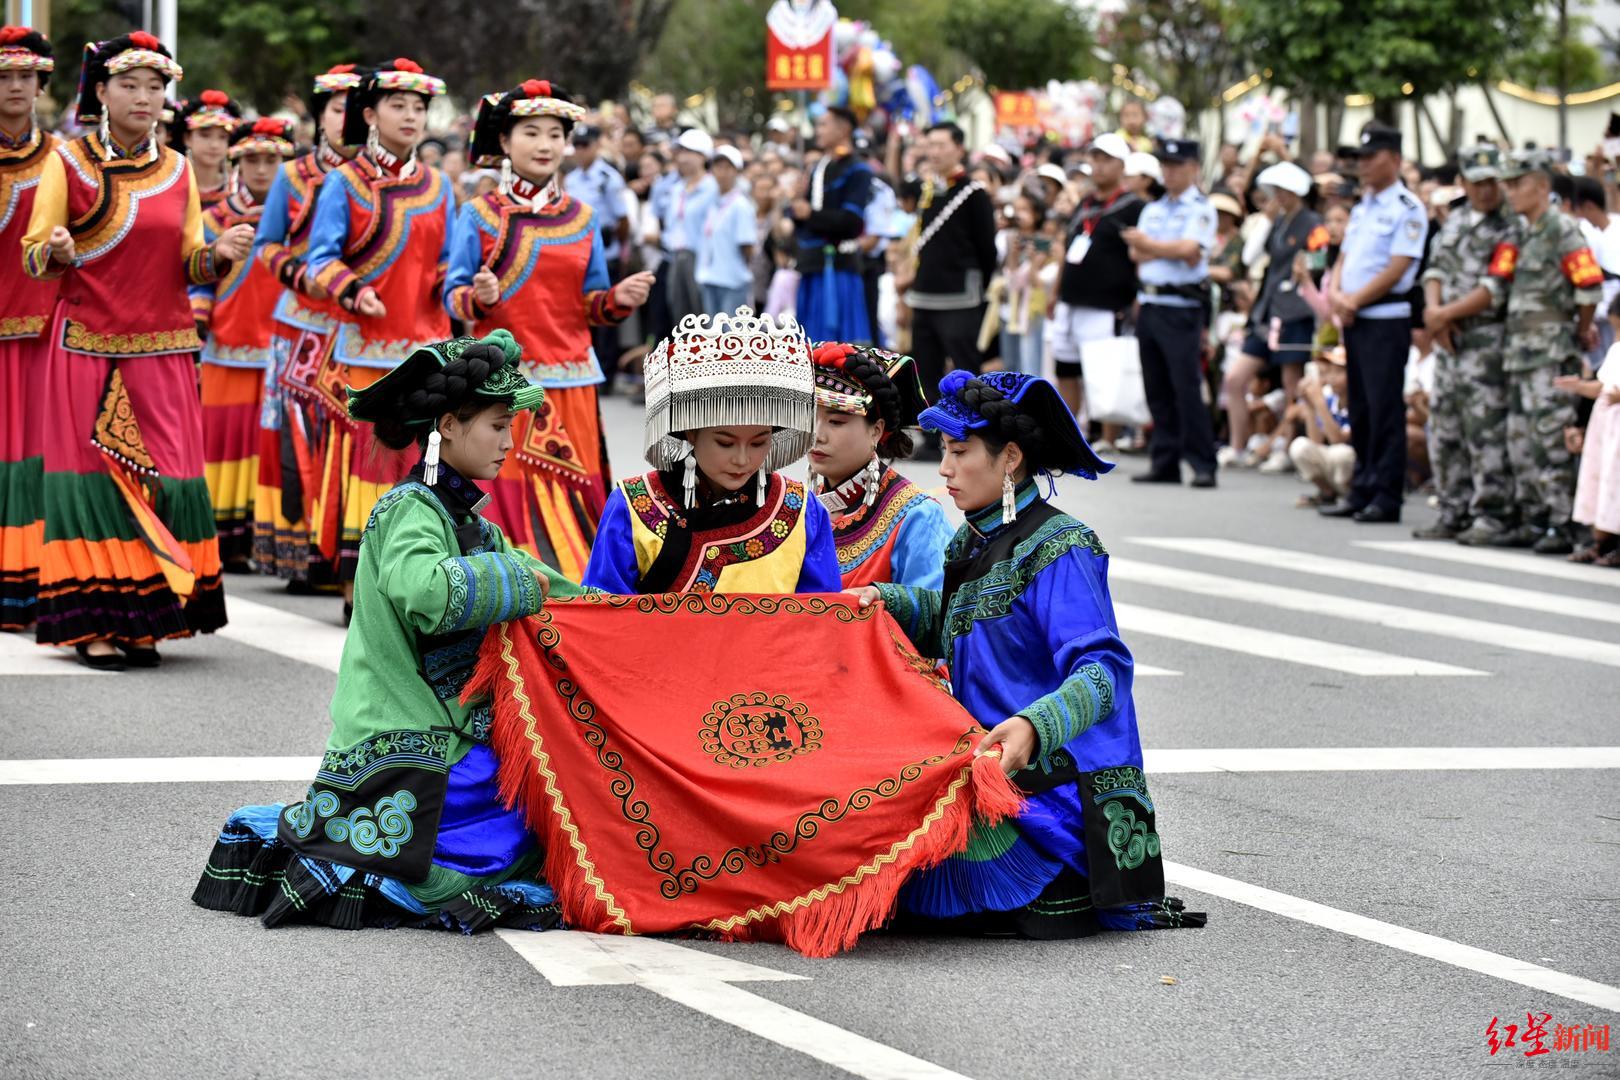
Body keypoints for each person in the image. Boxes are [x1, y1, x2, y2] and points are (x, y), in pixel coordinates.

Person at [194, 330, 580, 931]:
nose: (510, 442)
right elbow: (428, 593)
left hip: (451, 729)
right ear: (448, 425)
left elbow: (560, 596)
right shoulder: (409, 509)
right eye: (498, 425)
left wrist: (624, 617)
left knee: (557, 779)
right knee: (540, 807)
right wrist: (522, 578)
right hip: (406, 738)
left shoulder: (468, 520)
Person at [850, 370, 1204, 937]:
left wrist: (1032, 727)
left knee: (892, 883)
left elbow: (1105, 669)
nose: (944, 470)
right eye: (943, 451)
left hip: (1048, 791)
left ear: (1010, 457)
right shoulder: (973, 539)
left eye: (959, 452)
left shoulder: (1062, 547)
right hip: (982, 767)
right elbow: (961, 625)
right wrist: (882, 601)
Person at [21, 30, 254, 668]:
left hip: (165, 346)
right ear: (100, 92)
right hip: (88, 346)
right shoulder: (65, 163)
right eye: (130, 85)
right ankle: (95, 622)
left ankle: (150, 612)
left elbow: (189, 261)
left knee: (173, 480)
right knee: (91, 484)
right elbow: (36, 255)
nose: (145, 97)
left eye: (156, 87)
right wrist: (57, 252)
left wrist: (219, 255)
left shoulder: (178, 169)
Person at [444, 79, 654, 580]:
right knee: (505, 497)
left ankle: (573, 603)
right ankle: (499, 594)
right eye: (532, 133)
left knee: (575, 500)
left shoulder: (583, 217)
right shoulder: (479, 214)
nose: (545, 145)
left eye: (556, 135)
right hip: (504, 384)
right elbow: (451, 294)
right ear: (504, 143)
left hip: (572, 382)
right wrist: (479, 297)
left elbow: (590, 304)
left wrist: (615, 302)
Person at [305, 58, 454, 606]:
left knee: (424, 462)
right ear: (369, 113)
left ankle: (415, 576)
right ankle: (356, 582)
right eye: (398, 105)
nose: (411, 116)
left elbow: (447, 265)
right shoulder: (344, 183)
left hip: (427, 346)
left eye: (419, 107)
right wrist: (352, 289)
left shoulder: (439, 185)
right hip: (365, 346)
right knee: (368, 462)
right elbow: (321, 257)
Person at [582, 307, 841, 594]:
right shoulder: (632, 505)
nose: (743, 459)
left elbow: (823, 620)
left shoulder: (803, 510)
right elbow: (602, 615)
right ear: (691, 433)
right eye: (725, 442)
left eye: (758, 442)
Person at [250, 63, 363, 589]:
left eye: (353, 109)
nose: (346, 119)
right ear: (319, 118)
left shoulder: (381, 184)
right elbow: (266, 244)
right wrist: (303, 277)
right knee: (301, 439)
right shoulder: (293, 177)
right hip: (301, 327)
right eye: (336, 109)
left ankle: (348, 548)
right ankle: (302, 554)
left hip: (361, 329)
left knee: (353, 438)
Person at [191, 118, 297, 571]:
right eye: (252, 159)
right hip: (226, 349)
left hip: (279, 351)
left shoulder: (296, 219)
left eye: (271, 160)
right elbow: (198, 283)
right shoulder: (214, 219)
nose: (261, 169)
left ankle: (264, 539)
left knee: (268, 447)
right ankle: (220, 539)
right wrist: (196, 328)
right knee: (223, 446)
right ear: (238, 161)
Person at [1489, 150, 1603, 553]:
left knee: (1550, 437)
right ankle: (1533, 516)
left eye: (1517, 183)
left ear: (1541, 186)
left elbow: (1589, 285)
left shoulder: (1561, 230)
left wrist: (1582, 329)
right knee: (1519, 438)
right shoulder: (1521, 231)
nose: (1510, 191)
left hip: (1551, 350)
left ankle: (1561, 521)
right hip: (1519, 352)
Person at [1319, 124, 1427, 525]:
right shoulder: (1363, 206)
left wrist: (1354, 299)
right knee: (1361, 407)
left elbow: (1400, 265)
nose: (1363, 166)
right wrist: (1338, 297)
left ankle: (1386, 493)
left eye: (1371, 157)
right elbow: (1346, 255)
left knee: (1384, 409)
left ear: (1394, 159)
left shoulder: (1406, 207)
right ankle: (1362, 486)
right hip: (1355, 318)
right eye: (1360, 158)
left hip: (1385, 319)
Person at [1415, 144, 1519, 543]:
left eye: (1493, 182)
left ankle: (1491, 513)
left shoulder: (1510, 226)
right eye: (1478, 183)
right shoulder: (1455, 221)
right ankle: (1452, 508)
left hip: (1485, 340)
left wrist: (1445, 315)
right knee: (1445, 426)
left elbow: (1496, 285)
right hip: (1448, 342)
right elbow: (1435, 268)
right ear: (1462, 184)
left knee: (1485, 429)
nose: (1486, 191)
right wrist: (1434, 311)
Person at [806, 341, 951, 589]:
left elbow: (935, 609)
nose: (817, 435)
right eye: (810, 417)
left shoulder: (917, 517)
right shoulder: (797, 507)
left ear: (876, 430)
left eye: (836, 421)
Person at [0, 25, 57, 632]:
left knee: (40, 459)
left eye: (24, 76)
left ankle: (37, 582)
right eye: (4, 76)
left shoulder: (63, 157)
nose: (15, 87)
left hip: (46, 330)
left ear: (41, 83)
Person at [1124, 137, 1219, 487]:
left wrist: (1152, 246)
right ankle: (1165, 460)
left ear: (1194, 168)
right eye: (1165, 166)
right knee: (1157, 388)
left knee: (1186, 387)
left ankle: (1203, 462)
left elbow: (1190, 250)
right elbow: (1138, 255)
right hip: (1150, 303)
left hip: (1181, 306)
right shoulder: (1154, 208)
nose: (1170, 172)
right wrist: (1166, 249)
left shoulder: (1201, 208)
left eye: (1177, 166)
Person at [905, 121, 998, 458]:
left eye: (942, 144)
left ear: (960, 149)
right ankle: (932, 437)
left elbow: (987, 248)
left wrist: (982, 286)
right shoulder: (927, 190)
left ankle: (971, 432)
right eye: (930, 144)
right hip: (925, 292)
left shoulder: (974, 193)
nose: (935, 151)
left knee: (963, 369)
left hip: (960, 294)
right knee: (925, 368)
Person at [1224, 161, 1326, 467]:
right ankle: (1237, 446)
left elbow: (1319, 261)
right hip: (1266, 311)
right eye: (1275, 191)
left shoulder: (1312, 222)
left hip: (1295, 311)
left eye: (1284, 191)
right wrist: (1266, 221)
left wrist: (1304, 273)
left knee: (1291, 382)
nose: (1279, 196)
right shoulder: (1277, 222)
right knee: (1234, 379)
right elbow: (1249, 256)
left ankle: (1286, 446)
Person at [1046, 133, 1144, 421]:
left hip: (1106, 303)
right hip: (1071, 299)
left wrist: (1137, 296)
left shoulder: (1134, 206)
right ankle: (1072, 429)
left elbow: (1139, 253)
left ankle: (1107, 436)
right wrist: (1056, 292)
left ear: (1122, 165)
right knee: (1066, 367)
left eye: (1107, 160)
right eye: (1096, 159)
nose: (1099, 166)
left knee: (1102, 371)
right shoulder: (1085, 203)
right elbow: (1067, 247)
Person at [788, 106, 873, 346]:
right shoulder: (818, 167)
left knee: (838, 347)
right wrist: (796, 205)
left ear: (844, 128)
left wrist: (809, 213)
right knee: (810, 345)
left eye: (824, 124)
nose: (818, 131)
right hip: (813, 263)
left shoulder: (858, 169)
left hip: (837, 268)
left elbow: (852, 222)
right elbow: (805, 220)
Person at [563, 121, 629, 387]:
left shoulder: (608, 179)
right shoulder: (571, 179)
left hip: (606, 251)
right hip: (577, 253)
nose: (580, 151)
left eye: (585, 145)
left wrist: (618, 250)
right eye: (576, 146)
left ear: (596, 146)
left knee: (605, 313)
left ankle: (607, 373)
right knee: (581, 313)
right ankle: (585, 365)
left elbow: (623, 220)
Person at [1569, 313, 1620, 565]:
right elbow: (1603, 386)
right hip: (1606, 428)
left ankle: (1614, 546)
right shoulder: (1615, 350)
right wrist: (1578, 386)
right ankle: (1600, 543)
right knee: (1602, 482)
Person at [1287, 338, 1354, 507]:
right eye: (1329, 371)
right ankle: (1327, 492)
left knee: (1341, 453)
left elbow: (1337, 440)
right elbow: (1315, 440)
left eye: (1339, 372)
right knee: (1301, 446)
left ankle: (1351, 494)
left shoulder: (1359, 402)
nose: (1331, 377)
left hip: (1352, 463)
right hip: (1334, 462)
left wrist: (1319, 404)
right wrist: (1310, 405)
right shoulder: (1330, 398)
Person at [993, 191, 1052, 379]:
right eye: (1016, 209)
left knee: (1029, 366)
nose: (1019, 215)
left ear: (1037, 213)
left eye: (1025, 209)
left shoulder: (1044, 241)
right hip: (1008, 310)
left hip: (1031, 312)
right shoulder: (1006, 238)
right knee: (1009, 365)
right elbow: (1009, 278)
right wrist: (1013, 252)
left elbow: (1027, 279)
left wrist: (1028, 257)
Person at [661, 127, 717, 324]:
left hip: (702, 258)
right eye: (680, 152)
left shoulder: (713, 187)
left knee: (703, 317)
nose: (682, 158)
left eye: (689, 152)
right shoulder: (677, 189)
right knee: (681, 320)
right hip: (676, 257)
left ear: (703, 156)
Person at [695, 144, 756, 316]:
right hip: (709, 277)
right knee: (712, 337)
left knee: (730, 337)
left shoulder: (740, 205)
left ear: (737, 171)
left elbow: (747, 246)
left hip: (733, 280)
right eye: (718, 167)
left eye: (728, 168)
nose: (722, 172)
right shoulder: (712, 202)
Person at [175, 89, 241, 209]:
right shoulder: (170, 186)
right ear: (187, 138)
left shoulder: (239, 188)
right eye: (205, 135)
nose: (214, 145)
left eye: (222, 137)